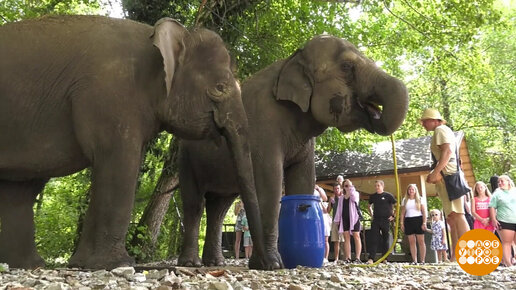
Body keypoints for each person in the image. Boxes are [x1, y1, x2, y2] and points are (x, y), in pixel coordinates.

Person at [419, 108, 470, 260]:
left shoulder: (440, 130)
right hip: (448, 176)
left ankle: (470, 253)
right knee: (452, 218)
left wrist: (436, 172)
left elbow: (447, 152)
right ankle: (455, 256)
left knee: (458, 215)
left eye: (425, 120)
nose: (423, 123)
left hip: (449, 177)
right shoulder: (442, 130)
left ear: (435, 121)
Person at [489, 175, 516, 267]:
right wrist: (493, 219)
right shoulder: (497, 194)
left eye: (502, 181)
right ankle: (508, 263)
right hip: (504, 221)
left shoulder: (514, 191)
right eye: (498, 182)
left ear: (508, 181)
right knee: (506, 242)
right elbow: (492, 206)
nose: (500, 183)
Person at [367, 180, 396, 264]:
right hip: (376, 220)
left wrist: (393, 216)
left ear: (382, 186)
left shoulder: (388, 196)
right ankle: (371, 258)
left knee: (385, 239)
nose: (376, 187)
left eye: (378, 186)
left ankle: (385, 258)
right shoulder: (373, 196)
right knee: (374, 239)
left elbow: (397, 205)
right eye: (375, 186)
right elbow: (369, 205)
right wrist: (371, 214)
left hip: (386, 220)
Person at [334, 179, 363, 263]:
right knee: (346, 238)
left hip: (354, 218)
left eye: (349, 185)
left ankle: (357, 258)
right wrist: (338, 220)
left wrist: (351, 188)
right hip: (345, 219)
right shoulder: (341, 198)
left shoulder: (355, 194)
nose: (348, 187)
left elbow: (354, 198)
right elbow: (339, 210)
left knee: (356, 236)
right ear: (343, 187)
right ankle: (348, 258)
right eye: (346, 186)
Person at [400, 184, 427, 264]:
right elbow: (402, 213)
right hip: (408, 220)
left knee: (421, 241)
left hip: (418, 219)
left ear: (415, 191)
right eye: (409, 189)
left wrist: (424, 222)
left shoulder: (420, 199)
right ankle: (414, 260)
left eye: (412, 189)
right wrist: (402, 223)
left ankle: (422, 260)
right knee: (412, 241)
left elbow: (424, 211)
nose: (411, 191)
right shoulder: (405, 200)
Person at [314, 184, 331, 264]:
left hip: (322, 215)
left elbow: (325, 198)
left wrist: (319, 189)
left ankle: (326, 258)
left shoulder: (319, 189)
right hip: (313, 215)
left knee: (325, 238)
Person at [330, 182, 345, 263]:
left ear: (340, 189)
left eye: (338, 188)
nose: (336, 190)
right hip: (335, 221)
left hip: (343, 221)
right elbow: (328, 211)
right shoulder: (332, 198)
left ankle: (345, 258)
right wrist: (330, 202)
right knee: (336, 240)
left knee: (344, 240)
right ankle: (336, 259)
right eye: (335, 189)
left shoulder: (343, 198)